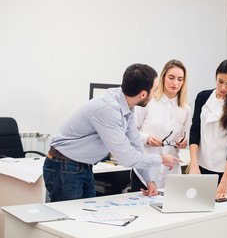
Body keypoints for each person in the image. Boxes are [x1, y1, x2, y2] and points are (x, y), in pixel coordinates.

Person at [43, 63, 182, 202]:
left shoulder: (127, 107)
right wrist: (161, 159)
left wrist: (149, 181)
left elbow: (136, 146)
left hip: (82, 167)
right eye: (154, 90)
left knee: (86, 215)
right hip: (64, 165)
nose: (154, 95)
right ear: (143, 94)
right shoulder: (109, 109)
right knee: (69, 219)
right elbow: (127, 158)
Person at [188, 59, 227, 200]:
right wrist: (194, 164)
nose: (223, 87)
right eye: (220, 81)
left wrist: (225, 180)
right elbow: (195, 130)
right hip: (201, 167)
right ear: (216, 76)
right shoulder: (203, 97)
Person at [131, 59, 190, 191]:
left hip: (171, 173)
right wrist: (147, 138)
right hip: (146, 172)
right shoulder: (147, 101)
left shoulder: (185, 109)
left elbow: (183, 136)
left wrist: (183, 142)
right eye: (171, 77)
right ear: (163, 78)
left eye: (180, 79)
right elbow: (131, 132)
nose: (175, 83)